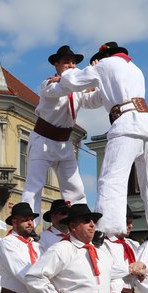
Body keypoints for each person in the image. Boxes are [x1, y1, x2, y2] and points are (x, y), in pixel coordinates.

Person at [45, 42, 148, 237]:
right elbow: (99, 98)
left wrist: (63, 77)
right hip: (147, 123)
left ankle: (107, 228)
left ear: (103, 56)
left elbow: (76, 80)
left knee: (111, 178)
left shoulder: (105, 65)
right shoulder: (134, 69)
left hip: (126, 121)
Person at [20, 46, 102, 212]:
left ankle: (81, 222)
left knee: (75, 187)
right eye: (66, 62)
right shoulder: (48, 84)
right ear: (56, 65)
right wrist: (88, 75)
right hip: (43, 139)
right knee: (34, 186)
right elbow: (65, 87)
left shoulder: (76, 89)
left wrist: (101, 77)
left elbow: (94, 101)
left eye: (73, 62)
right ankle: (28, 227)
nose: (71, 65)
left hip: (65, 143)